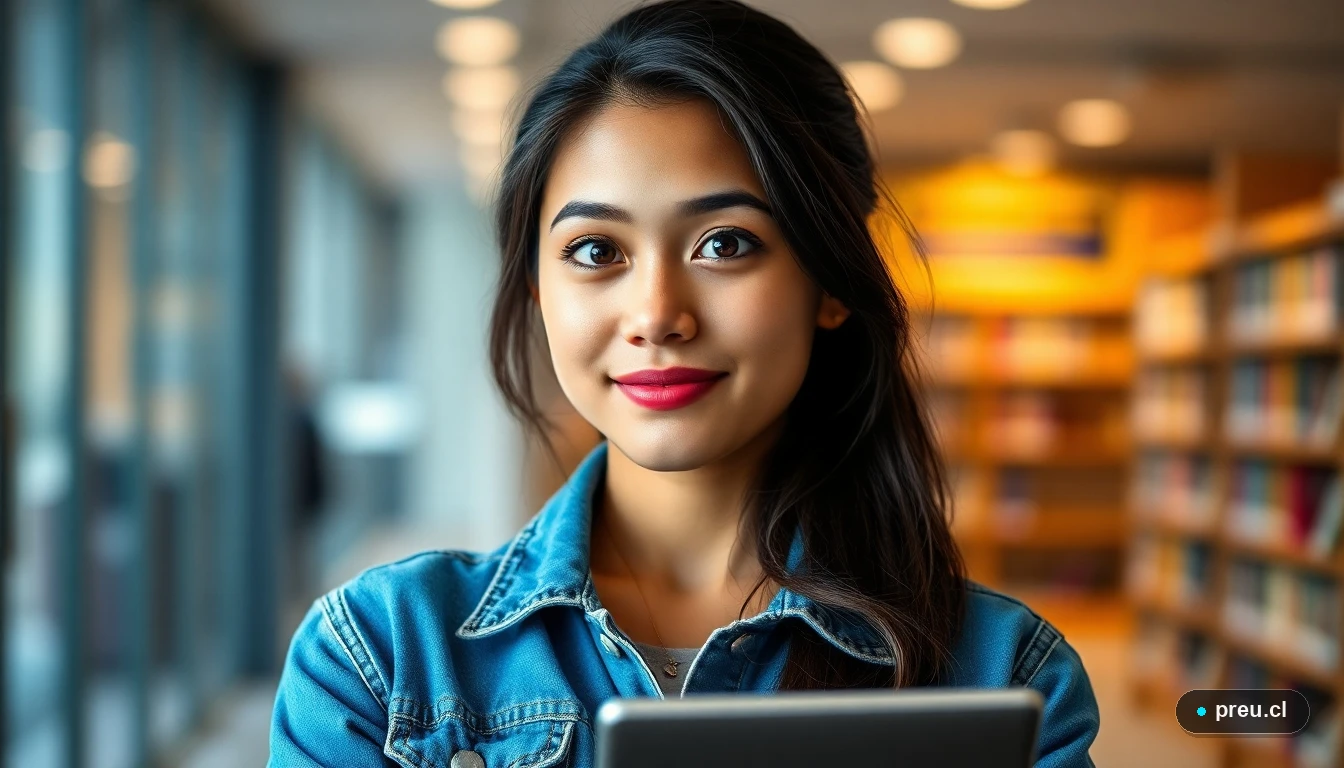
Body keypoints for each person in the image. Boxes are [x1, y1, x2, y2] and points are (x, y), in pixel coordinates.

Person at [268, 1, 1100, 766]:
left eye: (725, 244)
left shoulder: (1004, 676)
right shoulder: (381, 660)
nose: (658, 314)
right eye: (597, 251)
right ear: (537, 290)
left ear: (833, 281)